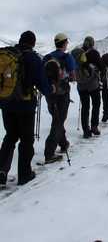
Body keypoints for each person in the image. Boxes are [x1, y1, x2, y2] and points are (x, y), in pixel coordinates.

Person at [0, 31, 52, 186]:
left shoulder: (8, 54)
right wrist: (50, 90)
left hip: (6, 102)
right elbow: (43, 84)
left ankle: (1, 171)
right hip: (25, 104)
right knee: (26, 139)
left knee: (10, 136)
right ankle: (24, 174)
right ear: (33, 43)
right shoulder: (33, 58)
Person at [43, 33, 76, 164]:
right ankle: (49, 153)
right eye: (66, 42)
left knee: (57, 118)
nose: (67, 44)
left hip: (49, 93)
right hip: (62, 93)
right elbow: (73, 76)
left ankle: (63, 143)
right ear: (64, 43)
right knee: (58, 121)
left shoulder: (47, 57)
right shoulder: (67, 57)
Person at [76, 36, 105, 138]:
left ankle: (86, 131)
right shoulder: (94, 53)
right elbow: (102, 67)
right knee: (96, 104)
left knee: (85, 107)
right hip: (93, 84)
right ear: (92, 43)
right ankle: (94, 126)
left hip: (81, 85)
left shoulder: (77, 53)